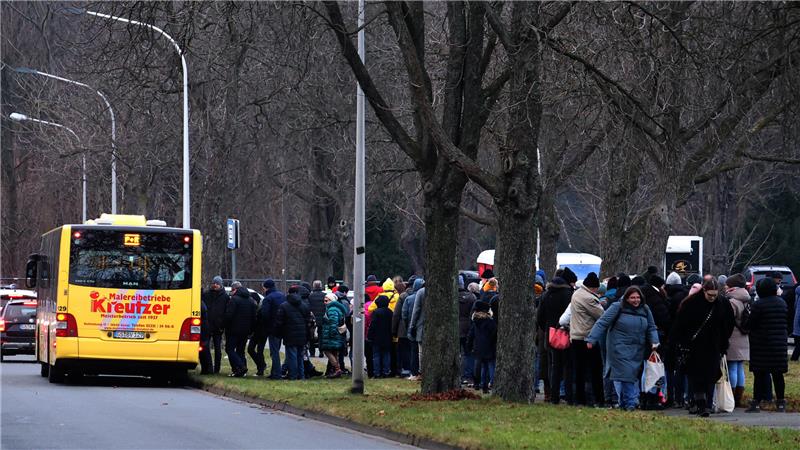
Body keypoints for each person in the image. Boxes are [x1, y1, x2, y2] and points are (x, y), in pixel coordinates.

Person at [586, 286, 659, 411]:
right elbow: (602, 322)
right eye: (632, 298)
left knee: (629, 376)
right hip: (618, 347)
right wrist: (592, 338)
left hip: (637, 349)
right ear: (626, 298)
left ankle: (623, 403)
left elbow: (651, 327)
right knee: (627, 375)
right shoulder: (617, 307)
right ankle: (630, 403)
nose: (636, 300)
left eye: (638, 298)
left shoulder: (645, 309)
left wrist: (654, 341)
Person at [671, 278, 735, 417]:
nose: (712, 298)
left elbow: (729, 323)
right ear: (704, 291)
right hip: (694, 345)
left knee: (711, 375)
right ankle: (701, 404)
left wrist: (723, 342)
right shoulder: (691, 303)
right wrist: (682, 343)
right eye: (709, 295)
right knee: (696, 376)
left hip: (714, 344)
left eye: (714, 295)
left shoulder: (722, 303)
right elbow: (680, 325)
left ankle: (706, 403)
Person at [746, 278, 789, 413]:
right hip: (779, 344)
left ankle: (756, 403)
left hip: (761, 344)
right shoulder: (782, 303)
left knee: (760, 375)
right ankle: (781, 402)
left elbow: (750, 324)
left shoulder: (759, 305)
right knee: (778, 374)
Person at [569, 272, 605, 406]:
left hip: (576, 336)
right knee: (595, 370)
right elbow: (601, 315)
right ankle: (597, 399)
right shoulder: (589, 298)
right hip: (587, 337)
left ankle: (579, 399)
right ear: (593, 287)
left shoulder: (577, 294)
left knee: (579, 371)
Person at [536, 276, 574, 404]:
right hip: (566, 333)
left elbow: (540, 317)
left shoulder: (546, 296)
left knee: (554, 366)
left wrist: (547, 328)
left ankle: (554, 396)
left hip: (551, 334)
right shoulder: (568, 295)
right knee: (567, 367)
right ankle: (569, 396)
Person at [724, 273, 751, 407]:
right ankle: (739, 397)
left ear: (732, 287)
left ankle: (732, 397)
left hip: (733, 337)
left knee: (732, 367)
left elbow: (727, 321)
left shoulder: (732, 301)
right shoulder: (747, 299)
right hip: (744, 337)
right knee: (740, 367)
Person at [276, 288, 313, 380]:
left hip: (289, 334)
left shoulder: (284, 306)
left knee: (291, 356)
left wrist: (279, 333)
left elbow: (279, 322)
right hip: (302, 334)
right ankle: (301, 376)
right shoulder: (304, 305)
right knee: (300, 356)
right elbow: (308, 321)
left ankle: (293, 375)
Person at [224, 282, 257, 377]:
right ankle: (242, 371)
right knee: (241, 350)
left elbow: (229, 315)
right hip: (246, 330)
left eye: (231, 290)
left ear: (235, 289)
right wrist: (251, 329)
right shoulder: (250, 300)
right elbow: (253, 317)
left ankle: (240, 367)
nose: (231, 292)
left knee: (229, 349)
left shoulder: (234, 300)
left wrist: (225, 325)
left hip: (233, 330)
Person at [467, 300, 497, 394]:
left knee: (481, 366)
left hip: (478, 346)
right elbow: (494, 334)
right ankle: (491, 383)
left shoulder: (475, 321)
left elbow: (471, 335)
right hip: (489, 345)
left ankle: (478, 383)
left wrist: (469, 345)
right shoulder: (490, 321)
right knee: (490, 365)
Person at [201, 275, 229, 374]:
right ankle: (208, 368)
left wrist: (222, 325)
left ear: (221, 285)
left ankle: (217, 368)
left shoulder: (225, 297)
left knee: (218, 349)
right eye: (214, 283)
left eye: (217, 284)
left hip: (218, 327)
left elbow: (226, 312)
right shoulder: (207, 294)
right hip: (207, 326)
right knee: (205, 347)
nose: (215, 285)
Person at [259, 279, 286, 380]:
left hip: (272, 328)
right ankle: (274, 371)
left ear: (266, 287)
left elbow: (265, 314)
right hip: (282, 326)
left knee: (274, 352)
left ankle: (277, 373)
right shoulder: (282, 296)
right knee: (276, 349)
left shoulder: (268, 298)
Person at [320, 292, 347, 378]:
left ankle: (337, 369)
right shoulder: (335, 308)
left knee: (327, 351)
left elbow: (333, 323)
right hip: (335, 334)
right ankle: (336, 370)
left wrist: (331, 334)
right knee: (334, 353)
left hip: (331, 334)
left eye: (326, 300)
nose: (324, 302)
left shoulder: (332, 310)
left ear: (331, 300)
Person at [403, 277, 424, 379]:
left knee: (415, 351)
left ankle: (416, 372)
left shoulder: (409, 298)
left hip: (417, 327)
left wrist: (410, 326)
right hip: (423, 326)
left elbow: (405, 314)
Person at [368, 294, 393, 378]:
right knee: (386, 354)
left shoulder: (376, 312)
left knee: (376, 355)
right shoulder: (390, 312)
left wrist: (369, 335)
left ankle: (377, 373)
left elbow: (373, 325)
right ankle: (386, 371)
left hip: (377, 337)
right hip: (388, 336)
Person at [458, 274, 477, 385]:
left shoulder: (450, 296)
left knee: (457, 353)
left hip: (455, 328)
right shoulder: (471, 297)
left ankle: (458, 375)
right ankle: (468, 376)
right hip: (467, 329)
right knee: (468, 353)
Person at [408, 280, 427, 380]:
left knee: (421, 352)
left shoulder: (421, 292)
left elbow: (416, 311)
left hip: (422, 325)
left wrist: (412, 326)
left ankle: (422, 372)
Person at [307, 280, 327, 357]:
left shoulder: (310, 296)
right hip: (322, 318)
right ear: (321, 286)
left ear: (314, 286)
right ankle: (321, 351)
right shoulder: (324, 295)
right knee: (321, 335)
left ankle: (312, 352)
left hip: (312, 319)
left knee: (311, 335)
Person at [198, 300, 212, 374]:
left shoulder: (199, 303)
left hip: (203, 329)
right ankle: (207, 369)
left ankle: (207, 369)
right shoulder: (202, 303)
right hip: (204, 328)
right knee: (204, 350)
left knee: (203, 350)